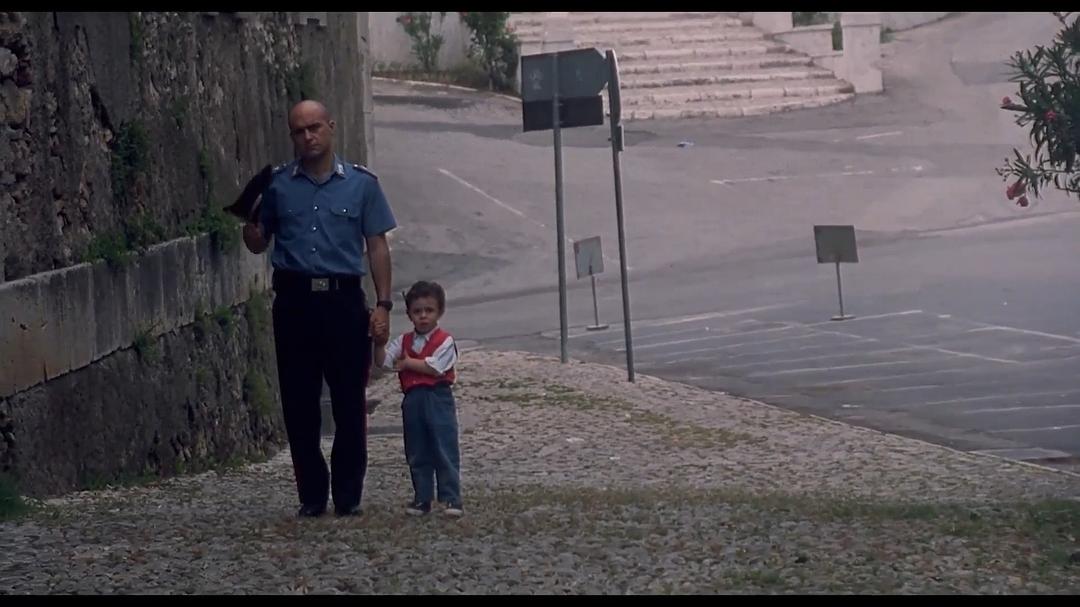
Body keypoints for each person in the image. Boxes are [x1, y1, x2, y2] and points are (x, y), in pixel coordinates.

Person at [241, 99, 396, 518]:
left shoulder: (362, 184)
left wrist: (383, 304)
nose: (308, 136)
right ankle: (311, 493)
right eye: (299, 131)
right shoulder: (278, 186)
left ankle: (347, 493)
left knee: (349, 402)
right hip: (294, 303)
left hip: (343, 302)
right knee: (299, 402)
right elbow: (259, 240)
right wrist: (251, 233)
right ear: (292, 136)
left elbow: (377, 246)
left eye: (314, 127)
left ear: (331, 126)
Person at [372, 280, 463, 517]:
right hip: (412, 399)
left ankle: (451, 498)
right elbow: (384, 362)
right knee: (417, 449)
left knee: (444, 446)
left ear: (439, 312)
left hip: (437, 398)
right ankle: (422, 498)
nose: (423, 316)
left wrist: (408, 363)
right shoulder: (403, 341)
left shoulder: (445, 341)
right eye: (417, 311)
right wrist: (379, 344)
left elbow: (436, 367)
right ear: (410, 314)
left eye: (429, 310)